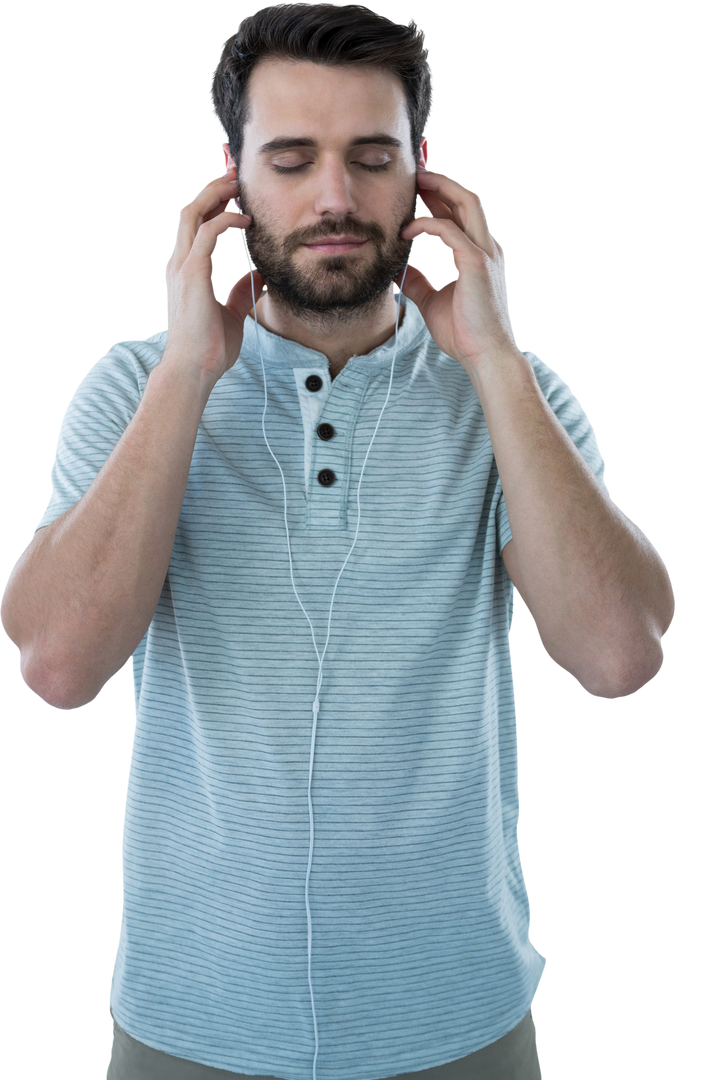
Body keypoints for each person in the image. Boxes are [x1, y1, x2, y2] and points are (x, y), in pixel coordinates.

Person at [0, 4, 676, 1079]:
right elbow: (59, 667)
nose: (332, 199)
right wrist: (186, 373)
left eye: (370, 158)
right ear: (228, 179)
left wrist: (494, 362)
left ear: (423, 171)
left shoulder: (518, 394)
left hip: (463, 1027)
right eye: (290, 159)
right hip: (185, 1030)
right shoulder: (132, 384)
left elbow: (617, 658)